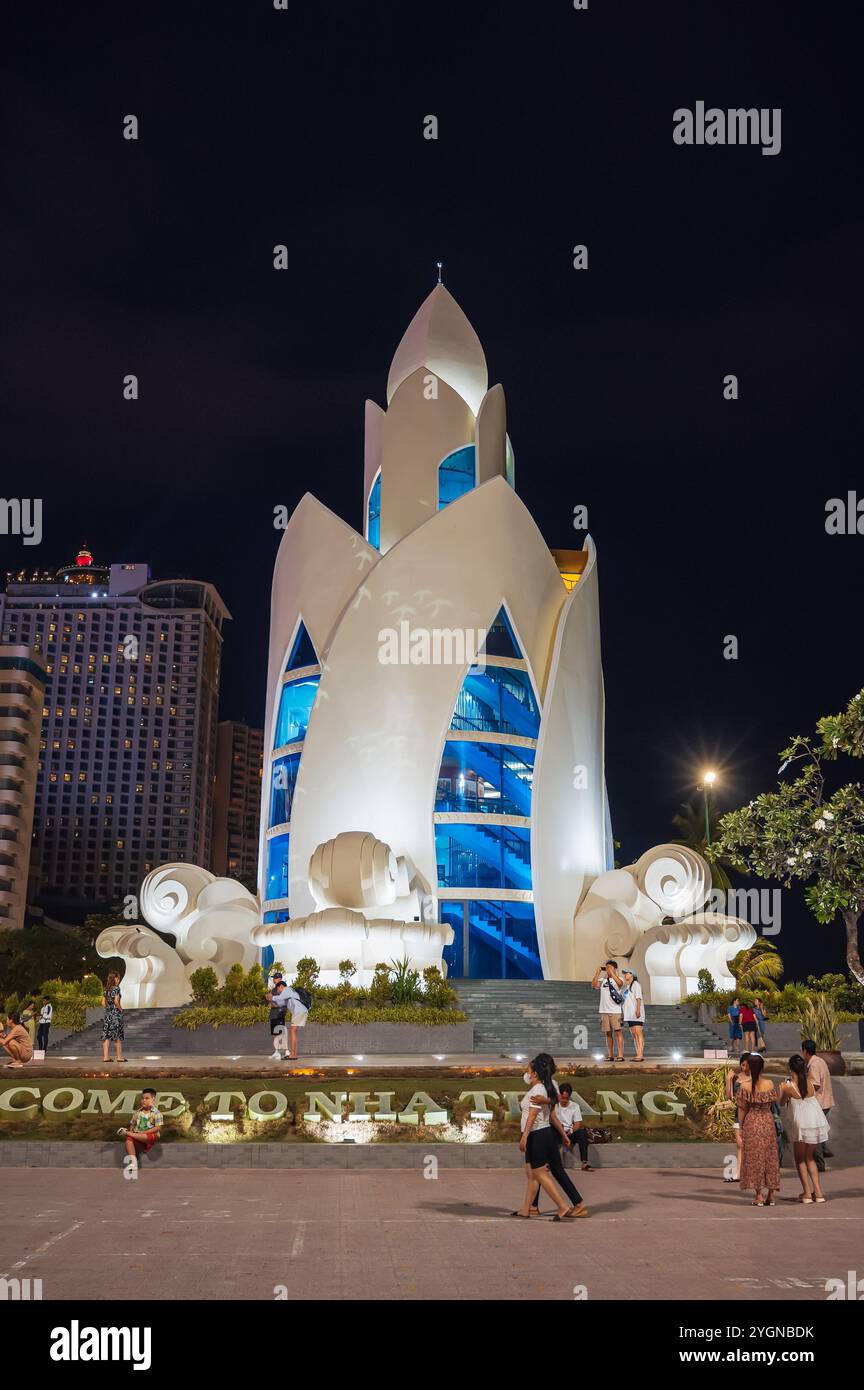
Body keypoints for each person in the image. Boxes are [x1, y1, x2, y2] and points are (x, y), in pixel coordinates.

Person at [512, 1053, 588, 1221]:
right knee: (533, 1172)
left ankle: (563, 1205)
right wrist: (562, 1133)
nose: (526, 1071)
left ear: (537, 1071)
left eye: (530, 1068)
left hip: (538, 1133)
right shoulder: (546, 1085)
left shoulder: (543, 1087)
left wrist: (524, 1136)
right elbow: (553, 1110)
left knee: (542, 1172)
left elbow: (536, 1113)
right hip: (545, 1131)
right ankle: (528, 1208)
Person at [779, 1054, 829, 1204]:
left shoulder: (789, 1087)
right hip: (814, 1122)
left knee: (800, 1159)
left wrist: (782, 1089)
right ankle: (818, 1193)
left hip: (801, 1124)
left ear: (790, 1068)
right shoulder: (810, 1084)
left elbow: (781, 1103)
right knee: (810, 1157)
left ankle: (807, 1193)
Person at [736, 1052, 780, 1206]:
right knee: (770, 1157)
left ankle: (759, 1195)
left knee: (755, 1159)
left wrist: (740, 1128)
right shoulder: (770, 1084)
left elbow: (742, 1109)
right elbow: (773, 1103)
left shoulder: (745, 1086)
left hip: (752, 1122)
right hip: (767, 1122)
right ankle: (771, 1195)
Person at [802, 1039, 835, 1172]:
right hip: (825, 1101)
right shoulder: (819, 1061)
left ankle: (820, 1163)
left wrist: (801, 1087)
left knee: (816, 1133)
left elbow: (815, 1084)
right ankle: (825, 1150)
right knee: (820, 1130)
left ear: (805, 1051)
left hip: (820, 1102)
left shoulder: (814, 1064)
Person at [119, 1087, 163, 1168]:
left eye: (147, 1098)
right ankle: (133, 1163)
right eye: (142, 1098)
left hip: (150, 1135)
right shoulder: (138, 1112)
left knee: (136, 1135)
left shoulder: (156, 1113)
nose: (144, 1100)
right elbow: (133, 1124)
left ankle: (126, 1133)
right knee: (128, 1140)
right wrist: (131, 1131)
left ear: (153, 1099)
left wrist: (143, 1132)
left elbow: (158, 1127)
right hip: (137, 1135)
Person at [723, 1052, 751, 1182]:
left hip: (752, 1114)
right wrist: (728, 1079)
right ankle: (738, 1174)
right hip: (738, 1114)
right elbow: (729, 1096)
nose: (745, 1068)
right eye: (743, 1065)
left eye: (747, 1065)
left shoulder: (755, 1078)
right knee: (740, 1144)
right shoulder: (736, 1078)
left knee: (752, 1144)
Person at [592, 960, 624, 1062]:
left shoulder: (619, 979)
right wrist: (597, 972)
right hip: (604, 1010)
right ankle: (610, 1055)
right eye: (607, 968)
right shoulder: (603, 980)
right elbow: (594, 985)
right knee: (608, 1034)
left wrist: (612, 974)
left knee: (618, 1032)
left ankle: (620, 1055)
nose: (608, 970)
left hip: (615, 1010)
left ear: (615, 968)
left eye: (610, 967)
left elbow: (620, 984)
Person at [101, 971, 126, 1062]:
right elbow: (116, 1002)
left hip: (108, 1015)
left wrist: (109, 1009)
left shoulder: (106, 989)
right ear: (114, 978)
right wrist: (121, 1009)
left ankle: (106, 1057)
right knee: (117, 1036)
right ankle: (119, 1057)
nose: (119, 980)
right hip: (115, 1015)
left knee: (106, 1036)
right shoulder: (116, 989)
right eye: (118, 978)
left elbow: (103, 1003)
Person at [622, 967, 645, 1060]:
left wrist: (638, 1010)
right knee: (634, 1034)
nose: (625, 975)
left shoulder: (636, 984)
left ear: (632, 974)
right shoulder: (627, 987)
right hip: (629, 1014)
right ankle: (638, 1054)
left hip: (636, 1013)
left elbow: (638, 998)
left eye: (627, 973)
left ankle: (640, 1055)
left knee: (638, 1032)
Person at [266, 973, 291, 1059]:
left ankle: (286, 1051)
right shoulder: (273, 990)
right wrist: (271, 1001)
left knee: (281, 1033)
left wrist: (273, 1002)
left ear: (280, 979)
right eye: (273, 978)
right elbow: (269, 999)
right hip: (273, 1014)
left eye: (275, 978)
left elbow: (281, 1003)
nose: (274, 980)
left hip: (280, 1014)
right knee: (274, 1034)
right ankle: (277, 1052)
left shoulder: (283, 989)